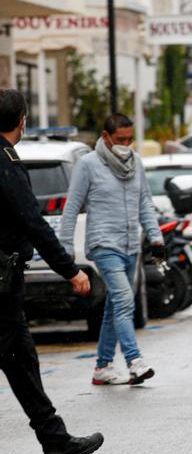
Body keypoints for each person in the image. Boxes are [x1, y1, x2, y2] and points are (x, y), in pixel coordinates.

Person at [0, 89, 105, 454]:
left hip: (7, 285)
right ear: (22, 121)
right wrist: (71, 270)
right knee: (19, 357)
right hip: (2, 283)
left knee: (21, 361)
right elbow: (33, 222)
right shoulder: (5, 162)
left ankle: (56, 441)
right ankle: (56, 440)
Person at [58, 113, 164, 386]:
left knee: (114, 306)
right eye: (120, 139)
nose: (126, 145)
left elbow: (144, 203)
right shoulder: (88, 165)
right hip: (103, 244)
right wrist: (66, 248)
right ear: (105, 137)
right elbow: (71, 207)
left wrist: (156, 239)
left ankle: (102, 367)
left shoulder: (136, 163)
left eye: (130, 139)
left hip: (130, 245)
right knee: (125, 300)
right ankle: (135, 361)